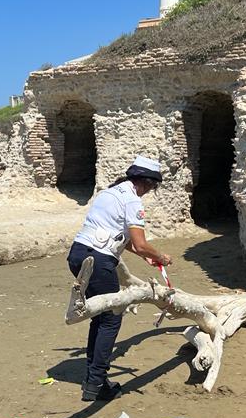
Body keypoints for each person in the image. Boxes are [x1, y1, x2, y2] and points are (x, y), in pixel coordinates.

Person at [67, 156, 173, 401]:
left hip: (78, 253)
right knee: (111, 319)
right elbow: (140, 242)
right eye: (152, 187)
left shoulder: (109, 193)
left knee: (101, 316)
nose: (149, 191)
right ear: (146, 183)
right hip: (99, 261)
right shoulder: (132, 201)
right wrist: (161, 257)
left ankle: (93, 378)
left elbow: (116, 236)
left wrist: (144, 256)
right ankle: (96, 383)